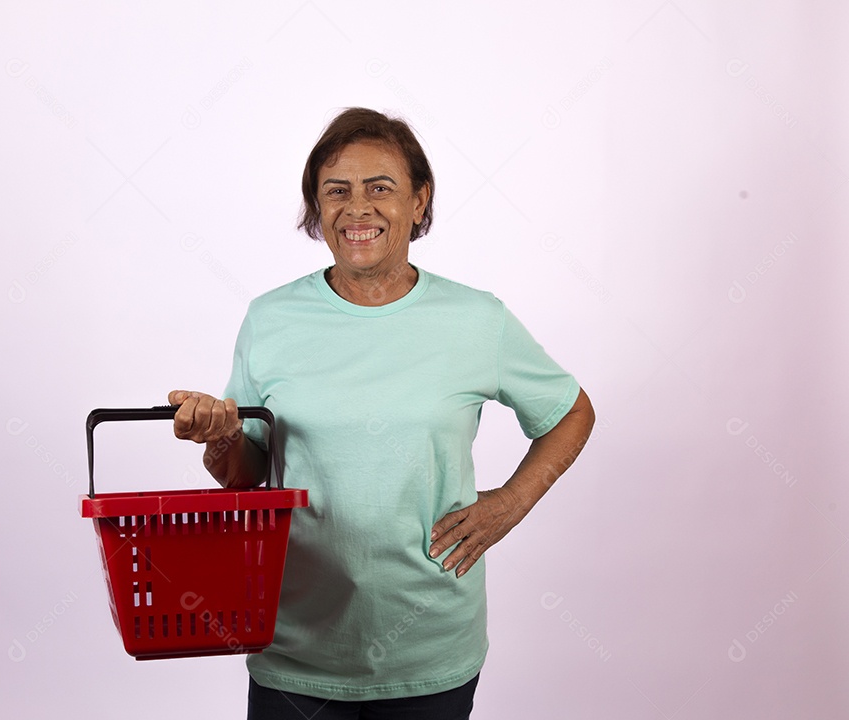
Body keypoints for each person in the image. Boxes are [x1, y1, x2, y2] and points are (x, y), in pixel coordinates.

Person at [169, 107, 595, 720]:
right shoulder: (271, 319)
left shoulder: (477, 320)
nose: (357, 208)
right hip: (294, 647)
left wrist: (509, 504)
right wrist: (219, 437)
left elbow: (570, 412)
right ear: (317, 210)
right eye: (335, 191)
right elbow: (244, 473)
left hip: (430, 649)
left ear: (420, 202)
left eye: (381, 188)